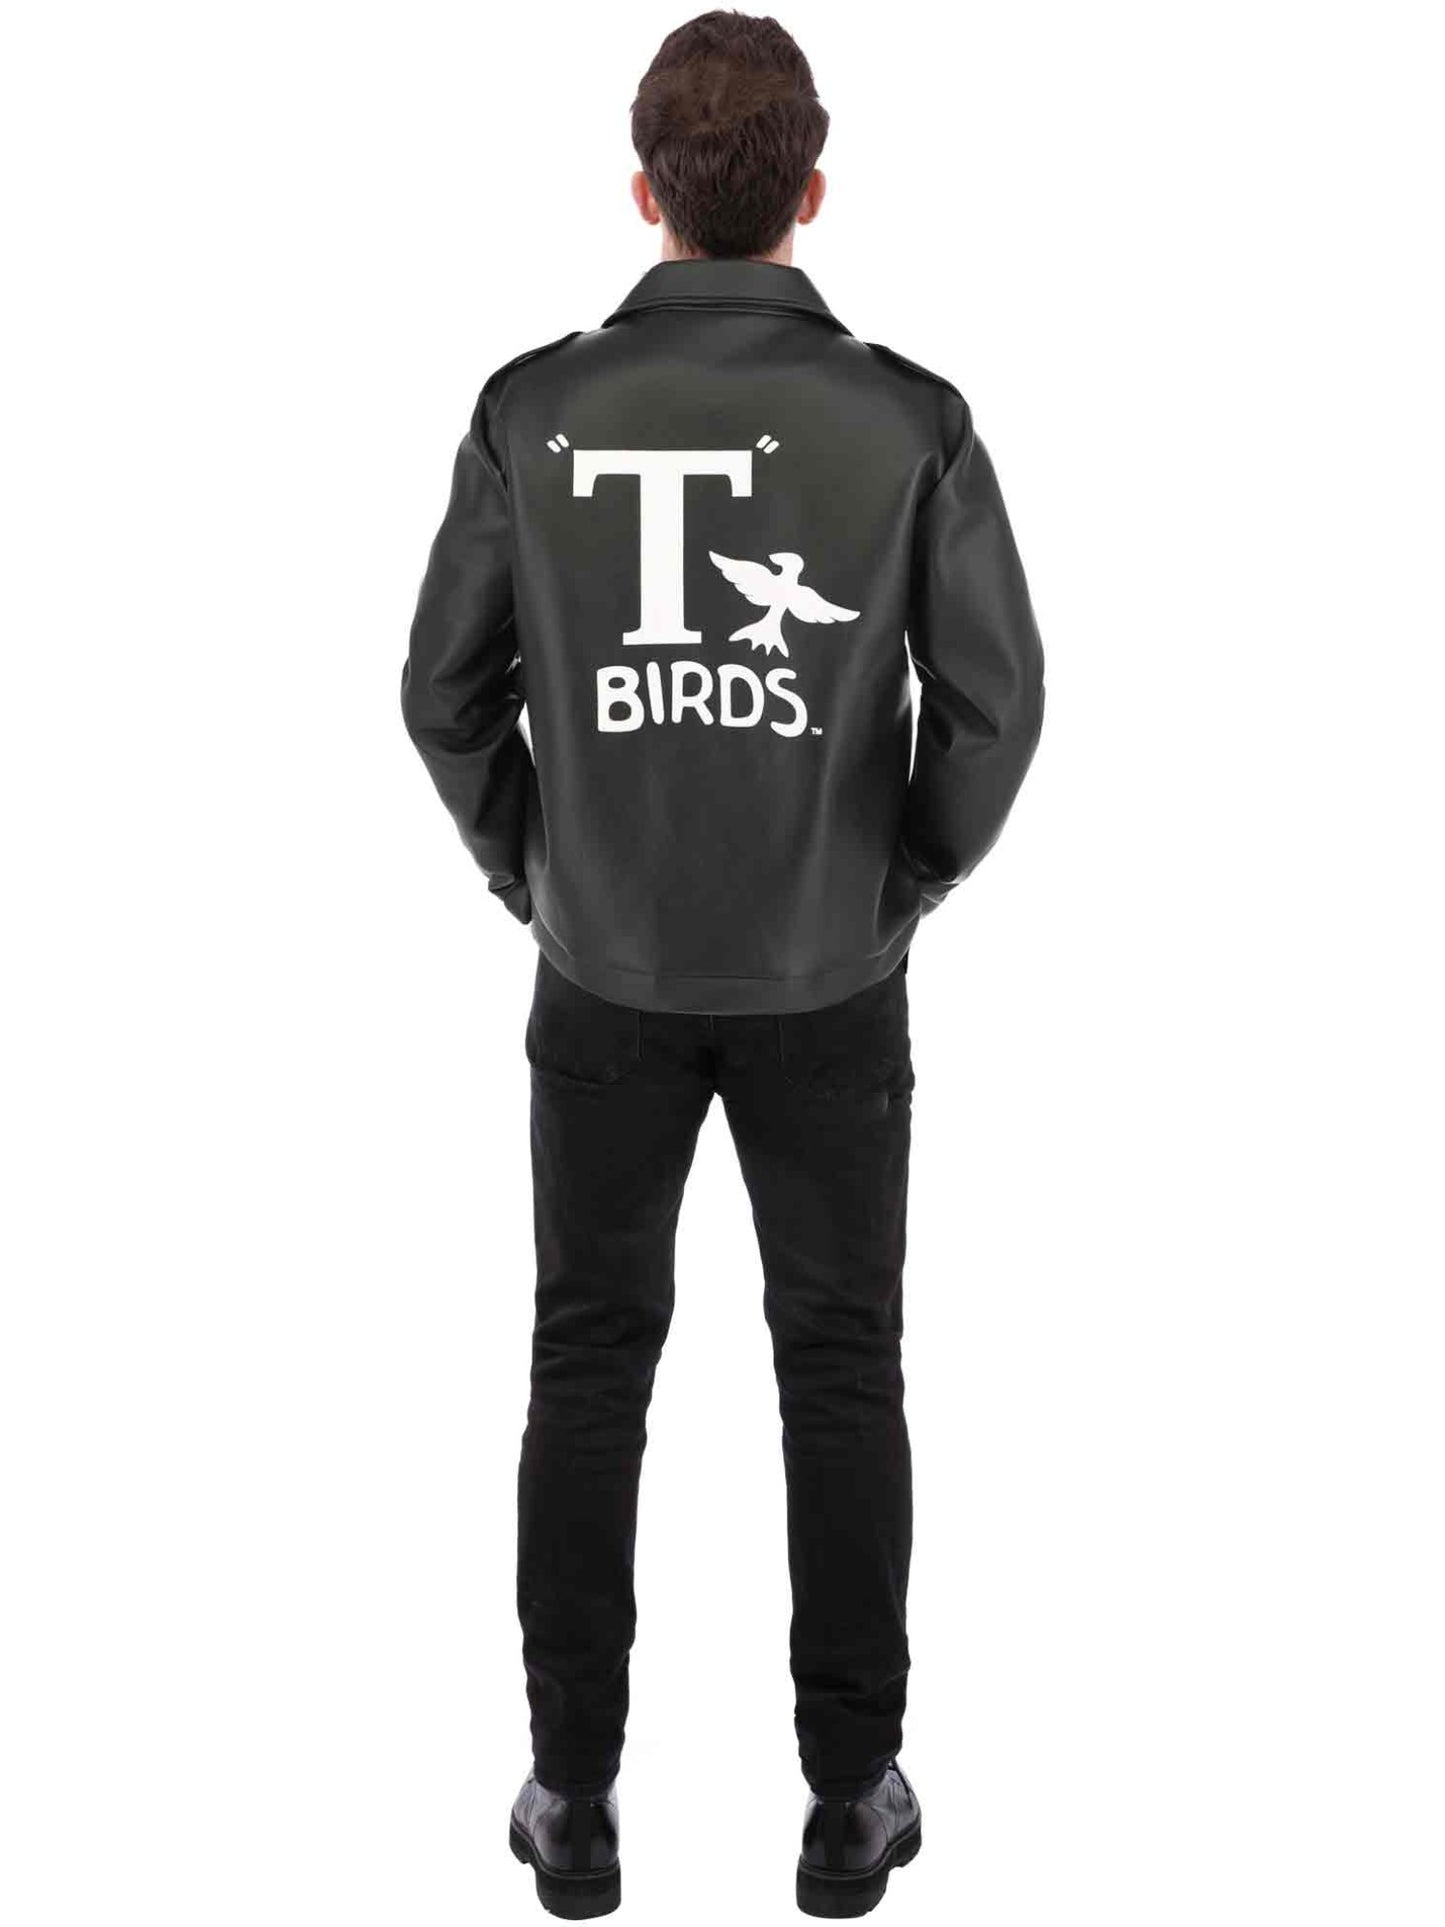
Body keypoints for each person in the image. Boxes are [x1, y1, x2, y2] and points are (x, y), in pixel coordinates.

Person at [400, 11, 1044, 1916]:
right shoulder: (908, 417)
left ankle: (572, 1795)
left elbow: (442, 692)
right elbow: (994, 704)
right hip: (827, 974)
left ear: (643, 194)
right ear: (811, 194)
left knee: (585, 1362)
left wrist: (538, 872)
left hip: (603, 969)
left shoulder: (530, 407)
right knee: (839, 1366)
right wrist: (899, 879)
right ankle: (849, 1799)